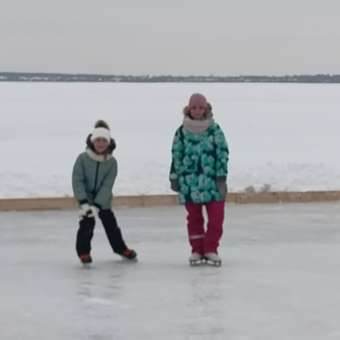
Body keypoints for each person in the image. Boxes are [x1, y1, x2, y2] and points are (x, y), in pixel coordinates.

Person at [169, 93, 229, 265]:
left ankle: (210, 249)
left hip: (212, 182)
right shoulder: (181, 132)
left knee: (216, 217)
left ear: (206, 108)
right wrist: (175, 177)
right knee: (194, 218)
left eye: (200, 107)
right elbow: (176, 155)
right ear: (189, 109)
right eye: (194, 107)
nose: (197, 111)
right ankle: (197, 249)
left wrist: (221, 177)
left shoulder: (215, 130)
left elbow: (222, 153)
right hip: (190, 183)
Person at [72, 120, 137, 264]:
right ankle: (83, 252)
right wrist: (84, 203)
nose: (100, 143)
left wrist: (97, 205)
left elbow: (107, 186)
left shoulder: (112, 163)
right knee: (86, 225)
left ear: (109, 142)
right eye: (98, 140)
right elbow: (77, 180)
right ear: (92, 141)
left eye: (104, 140)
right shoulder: (82, 159)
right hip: (86, 200)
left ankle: (120, 248)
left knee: (111, 225)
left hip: (104, 200)